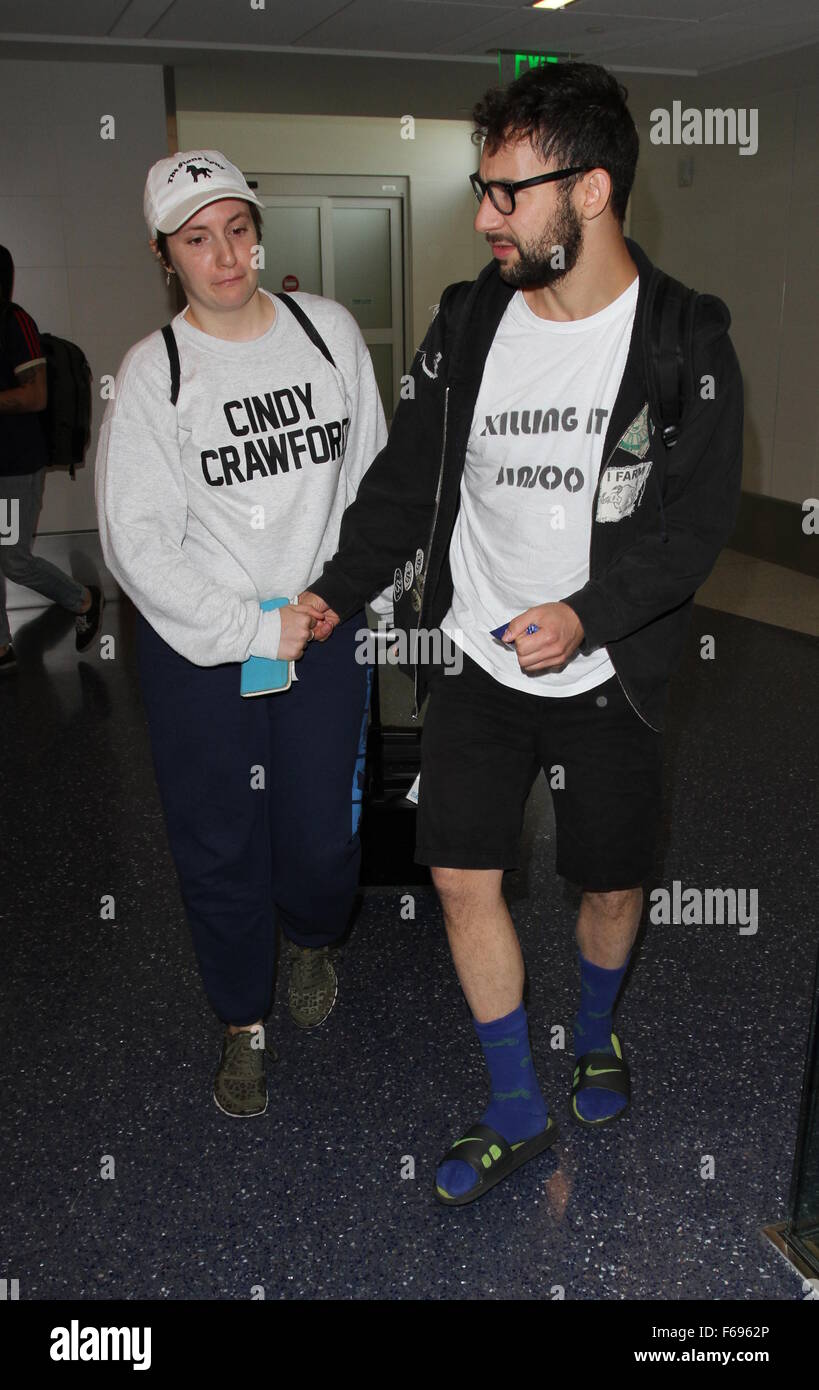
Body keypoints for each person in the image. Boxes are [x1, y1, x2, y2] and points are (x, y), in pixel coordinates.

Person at [302, 63, 743, 1204]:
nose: (485, 216)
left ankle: (596, 1030)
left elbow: (692, 527)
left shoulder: (685, 339)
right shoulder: (470, 319)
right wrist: (333, 591)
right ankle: (514, 1104)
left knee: (608, 882)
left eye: (508, 191)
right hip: (484, 664)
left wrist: (587, 614)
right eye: (481, 189)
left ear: (590, 190)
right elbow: (406, 483)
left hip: (612, 673)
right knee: (459, 873)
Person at [95, 150, 389, 1117]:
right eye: (196, 239)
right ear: (164, 255)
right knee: (218, 845)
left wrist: (355, 601)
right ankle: (240, 1023)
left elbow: (369, 483)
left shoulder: (328, 333)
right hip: (204, 653)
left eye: (236, 228)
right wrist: (249, 627)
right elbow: (136, 544)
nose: (224, 256)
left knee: (321, 841)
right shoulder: (153, 373)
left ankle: (310, 935)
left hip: (325, 631)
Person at [0, 246, 103, 670]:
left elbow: (36, 395)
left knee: (11, 558)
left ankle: (83, 600)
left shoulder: (14, 321)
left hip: (12, 469)